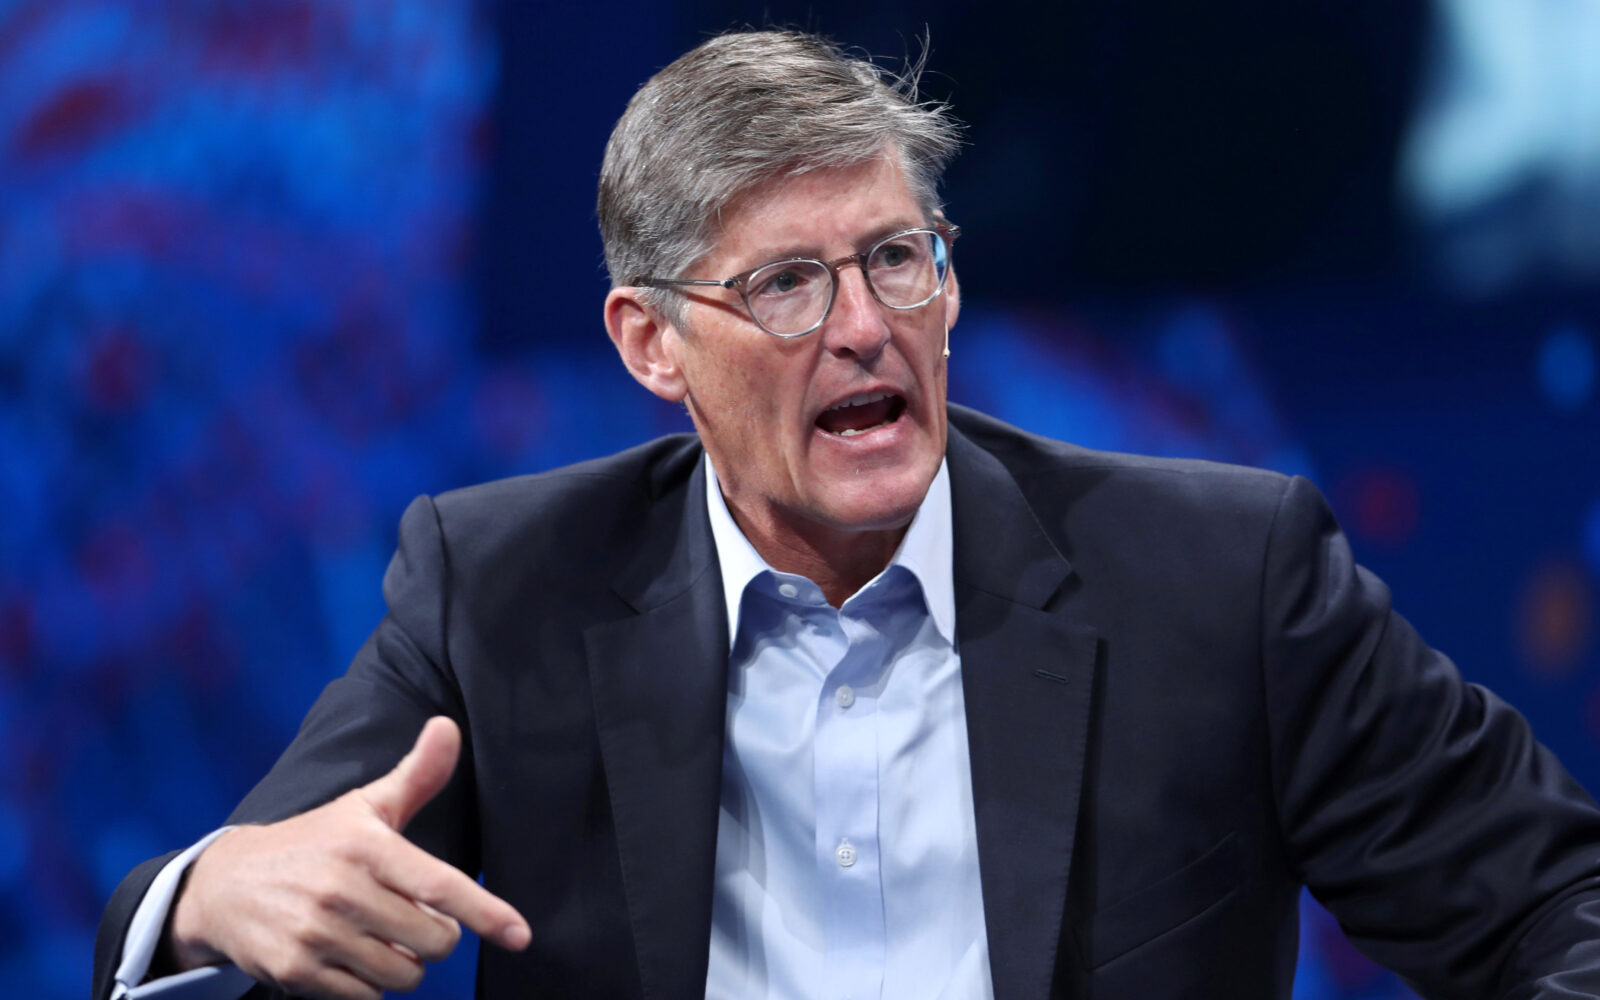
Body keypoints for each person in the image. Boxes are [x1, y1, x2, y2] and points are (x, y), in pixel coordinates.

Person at [95, 29, 1600, 1000]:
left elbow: (1558, 906)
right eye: (787, 285)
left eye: (897, 258)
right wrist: (211, 890)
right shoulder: (503, 590)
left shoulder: (1222, 576)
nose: (868, 327)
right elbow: (252, 888)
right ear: (651, 344)